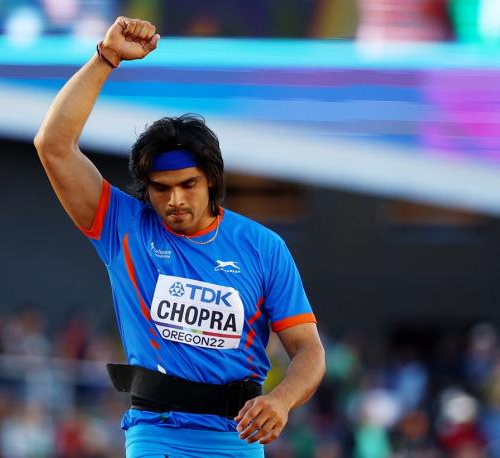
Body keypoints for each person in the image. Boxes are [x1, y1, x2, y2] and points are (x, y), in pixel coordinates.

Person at [34, 16, 326, 458]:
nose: (174, 200)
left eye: (188, 184)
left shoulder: (264, 248)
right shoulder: (123, 226)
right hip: (156, 435)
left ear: (211, 181)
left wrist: (281, 400)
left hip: (236, 440)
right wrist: (106, 57)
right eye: (160, 188)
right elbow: (53, 144)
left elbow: (308, 351)